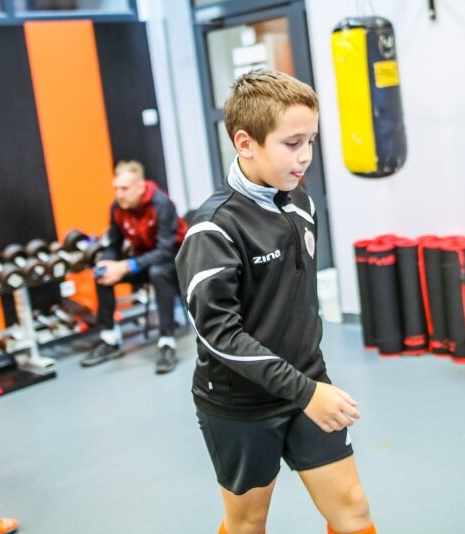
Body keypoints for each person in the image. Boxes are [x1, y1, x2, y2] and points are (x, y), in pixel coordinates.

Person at [175, 70, 376, 534]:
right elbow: (221, 335)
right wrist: (305, 392)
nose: (305, 156)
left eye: (311, 141)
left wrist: (309, 385)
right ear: (245, 143)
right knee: (247, 523)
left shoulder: (300, 202)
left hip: (308, 382)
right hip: (241, 404)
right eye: (292, 143)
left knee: (353, 510)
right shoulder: (213, 229)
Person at [81, 160, 188, 373]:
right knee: (102, 275)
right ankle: (110, 340)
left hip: (177, 263)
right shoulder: (117, 208)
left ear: (140, 187)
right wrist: (106, 262)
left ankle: (167, 343)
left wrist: (127, 265)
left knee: (158, 272)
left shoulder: (161, 204)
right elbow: (113, 245)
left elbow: (165, 251)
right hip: (145, 262)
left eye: (124, 189)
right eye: (116, 189)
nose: (119, 194)